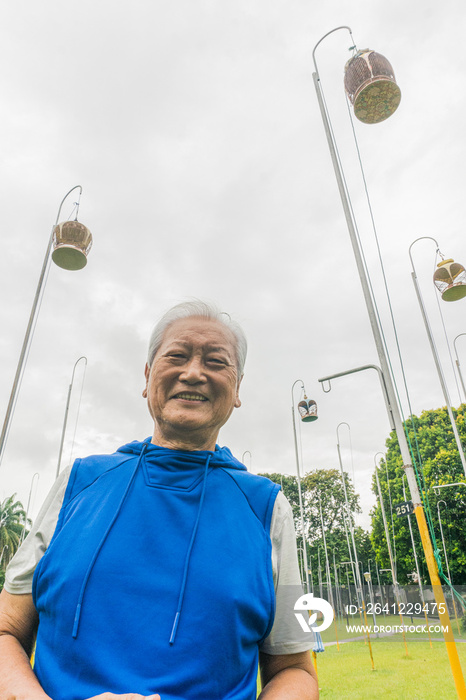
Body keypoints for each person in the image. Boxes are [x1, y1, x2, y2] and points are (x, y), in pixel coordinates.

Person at [0, 300, 319, 700]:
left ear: (237, 389)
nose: (193, 373)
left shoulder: (268, 509)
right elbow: (6, 629)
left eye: (216, 362)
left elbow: (294, 670)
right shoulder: (78, 483)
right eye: (177, 356)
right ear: (148, 377)